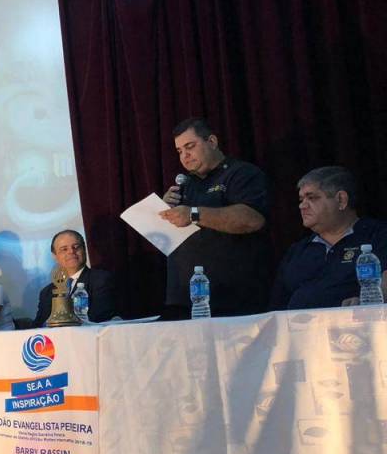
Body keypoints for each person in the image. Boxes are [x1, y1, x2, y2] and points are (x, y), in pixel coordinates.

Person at [159, 118, 272, 318]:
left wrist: (193, 214)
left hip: (232, 299)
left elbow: (252, 220)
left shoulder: (241, 174)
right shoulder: (185, 185)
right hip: (182, 300)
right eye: (179, 151)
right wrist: (165, 211)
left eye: (190, 147)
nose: (185, 156)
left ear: (212, 141)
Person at [270, 166, 387, 310]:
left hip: (356, 322)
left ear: (341, 200)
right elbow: (277, 304)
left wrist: (366, 303)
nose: (302, 206)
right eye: (301, 199)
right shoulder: (297, 250)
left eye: (311, 198)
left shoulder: (378, 235)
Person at [33, 230, 119, 326]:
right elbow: (38, 327)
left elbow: (100, 318)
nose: (71, 251)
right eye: (64, 249)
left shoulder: (101, 280)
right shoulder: (46, 293)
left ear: (84, 249)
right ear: (55, 256)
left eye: (76, 247)